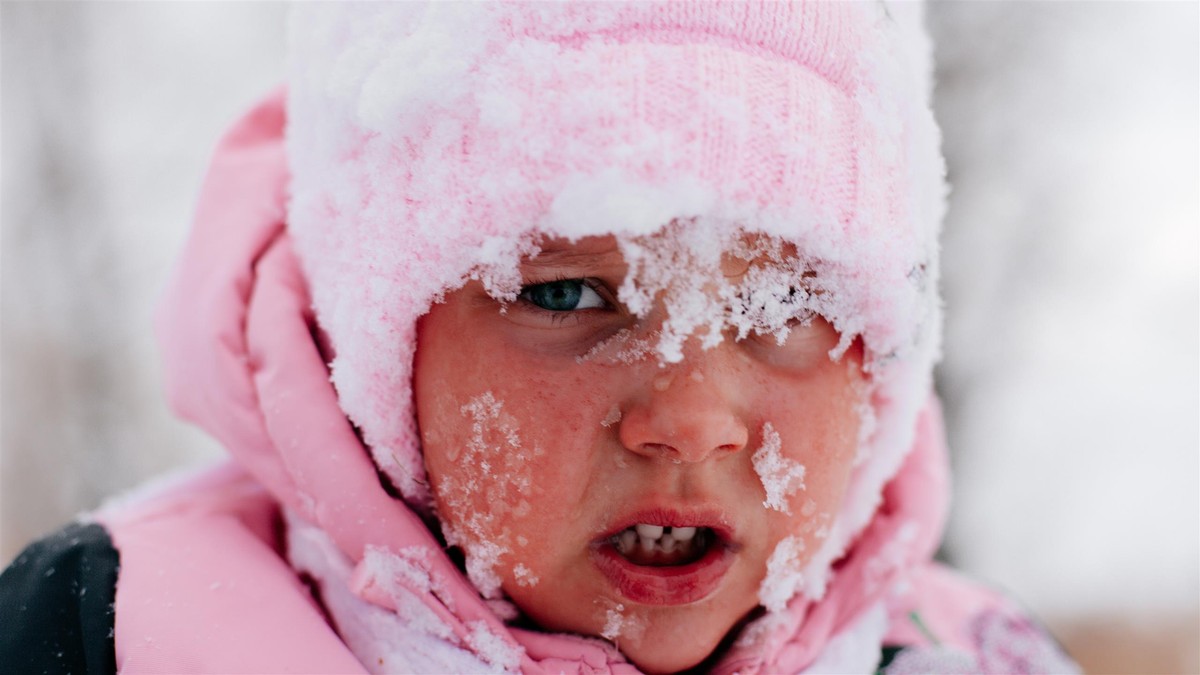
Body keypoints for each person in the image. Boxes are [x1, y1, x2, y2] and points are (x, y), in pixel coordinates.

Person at [0, 3, 1079, 673]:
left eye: (786, 312)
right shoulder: (114, 633)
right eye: (568, 297)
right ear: (377, 354)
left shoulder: (974, 657)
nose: (690, 420)